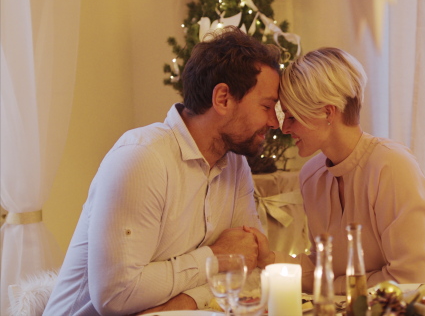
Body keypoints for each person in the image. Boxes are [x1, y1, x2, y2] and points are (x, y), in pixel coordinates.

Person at [43, 26, 280, 316]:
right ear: (223, 99)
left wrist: (187, 301)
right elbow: (115, 296)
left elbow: (249, 267)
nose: (274, 122)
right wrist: (215, 257)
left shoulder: (235, 165)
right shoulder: (141, 159)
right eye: (267, 106)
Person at [249, 47, 425, 294]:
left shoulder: (392, 166)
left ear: (327, 111)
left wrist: (329, 287)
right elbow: (323, 267)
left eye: (292, 116)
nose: (284, 128)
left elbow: (408, 279)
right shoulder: (311, 176)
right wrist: (268, 258)